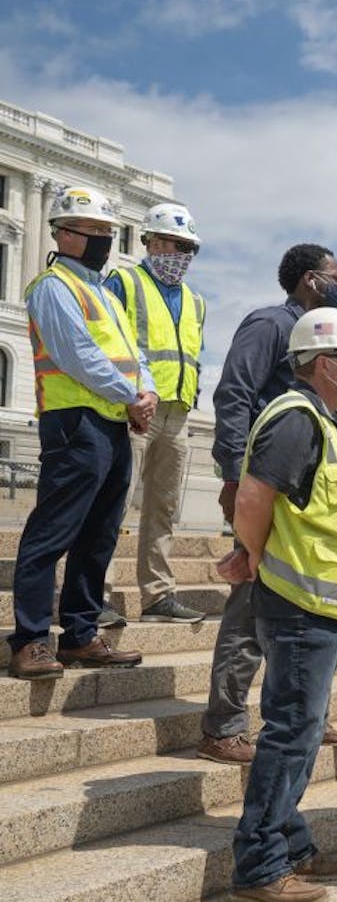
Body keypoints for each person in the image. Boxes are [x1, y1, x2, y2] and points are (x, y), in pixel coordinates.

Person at [222, 307, 337, 902]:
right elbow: (254, 495)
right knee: (289, 734)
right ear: (322, 362)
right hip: (298, 606)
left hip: (322, 607)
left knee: (304, 733)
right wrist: (251, 555)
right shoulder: (295, 418)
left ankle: (288, 840)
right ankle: (259, 867)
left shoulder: (321, 419)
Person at [200, 243, 337, 765]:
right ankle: (223, 725)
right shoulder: (270, 325)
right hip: (264, 486)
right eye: (336, 275)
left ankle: (310, 714)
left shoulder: (325, 340)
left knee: (302, 608)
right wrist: (232, 473)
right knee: (248, 609)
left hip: (305, 498)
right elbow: (235, 393)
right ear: (311, 280)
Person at [6, 186, 153, 680]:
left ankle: (80, 634)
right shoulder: (52, 287)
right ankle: (29, 639)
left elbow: (134, 355)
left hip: (111, 422)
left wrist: (145, 391)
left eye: (107, 233)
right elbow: (77, 356)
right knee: (53, 533)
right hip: (74, 423)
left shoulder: (104, 292)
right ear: (63, 234)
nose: (103, 241)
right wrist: (131, 395)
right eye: (93, 232)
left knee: (99, 535)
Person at [105, 202, 208, 624]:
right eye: (173, 244)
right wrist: (129, 396)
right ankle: (97, 593)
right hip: (134, 409)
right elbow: (106, 341)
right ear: (149, 241)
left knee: (164, 508)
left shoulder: (196, 301)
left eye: (188, 248)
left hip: (177, 412)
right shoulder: (123, 282)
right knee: (112, 503)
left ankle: (158, 596)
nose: (180, 255)